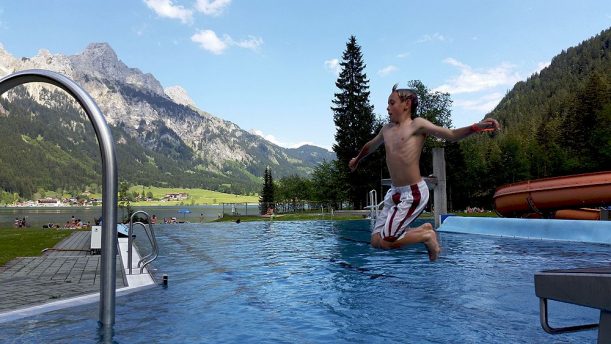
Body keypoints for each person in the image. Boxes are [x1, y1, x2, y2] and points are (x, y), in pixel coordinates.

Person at [349, 83, 500, 260]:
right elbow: (370, 146)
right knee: (376, 242)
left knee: (388, 239)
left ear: (407, 104)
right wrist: (357, 159)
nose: (388, 107)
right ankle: (424, 230)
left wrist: (476, 127)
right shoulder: (386, 130)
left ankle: (427, 236)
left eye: (392, 103)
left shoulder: (417, 125)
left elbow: (450, 134)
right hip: (395, 192)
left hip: (413, 192)